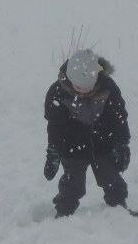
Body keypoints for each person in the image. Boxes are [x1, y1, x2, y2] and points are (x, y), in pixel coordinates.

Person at [43, 49, 133, 218]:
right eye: (78, 87)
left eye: (88, 87)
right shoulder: (57, 93)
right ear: (70, 79)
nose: (83, 91)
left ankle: (118, 204)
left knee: (111, 177)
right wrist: (54, 151)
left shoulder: (107, 87)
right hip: (72, 147)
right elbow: (55, 126)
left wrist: (122, 142)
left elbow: (118, 116)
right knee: (72, 183)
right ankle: (64, 211)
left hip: (103, 143)